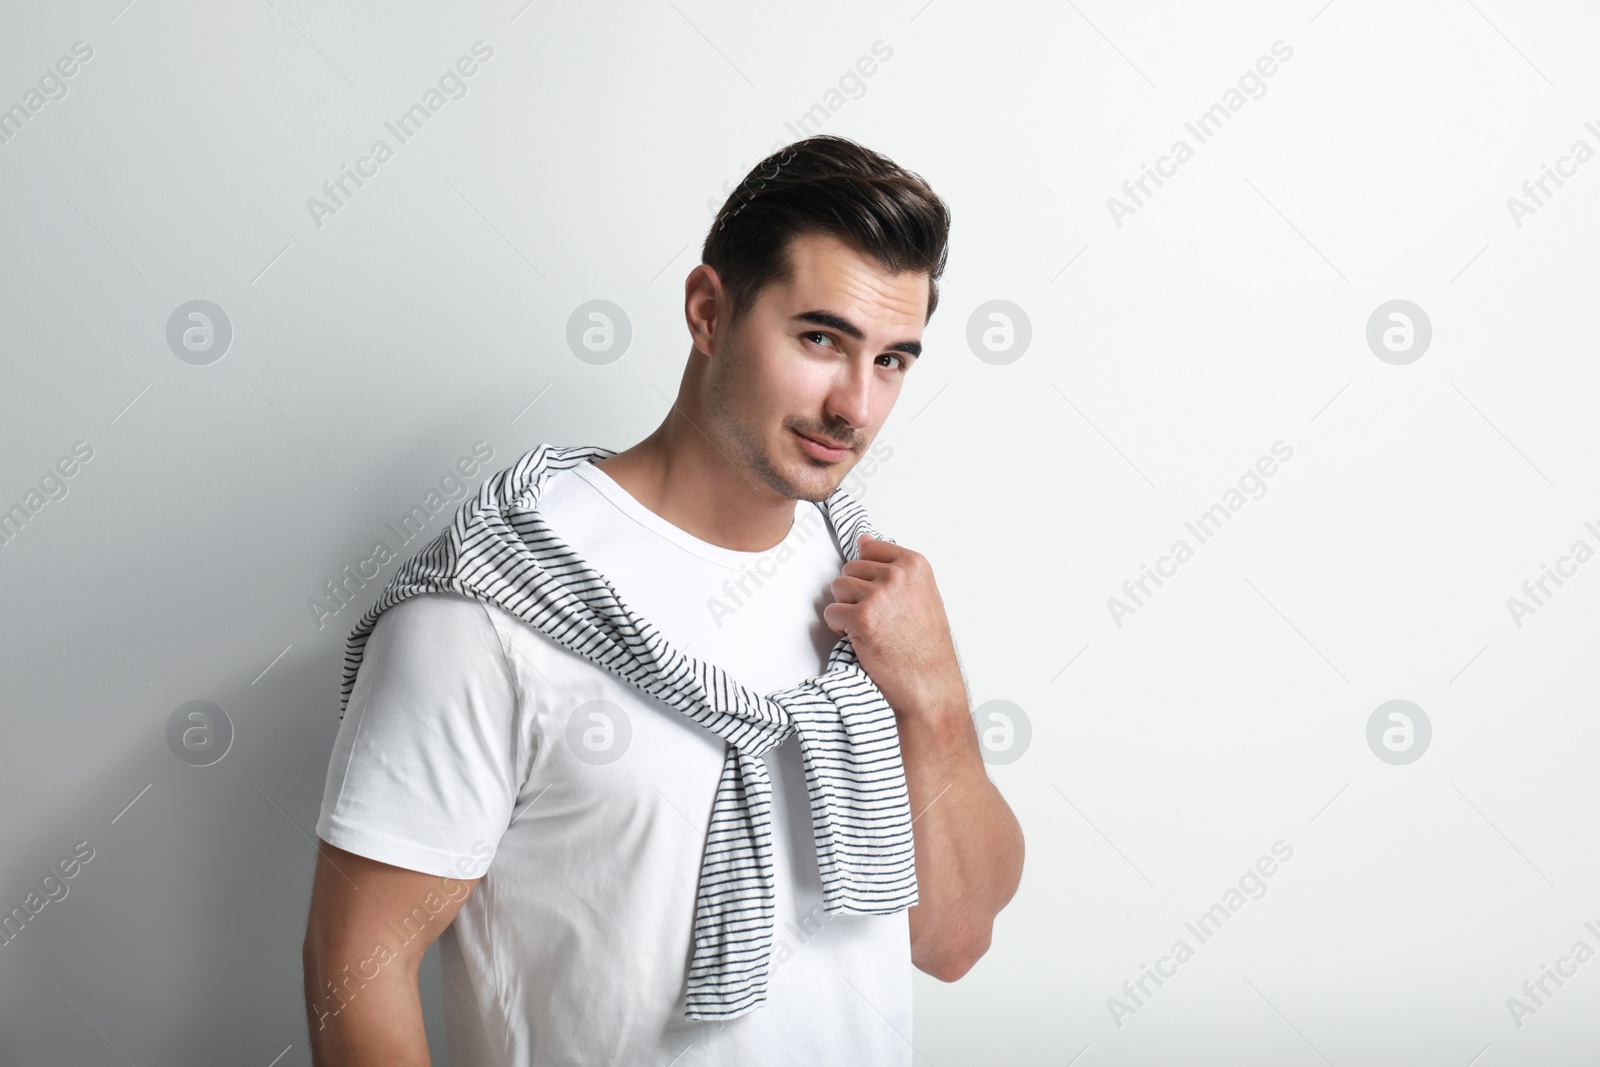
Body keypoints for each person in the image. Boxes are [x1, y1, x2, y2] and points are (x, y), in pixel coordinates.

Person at [300, 134, 1025, 1066]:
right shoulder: (488, 609)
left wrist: (935, 698)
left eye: (892, 360)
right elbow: (355, 963)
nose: (855, 405)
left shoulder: (871, 593)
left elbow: (954, 937)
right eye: (820, 339)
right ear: (708, 311)